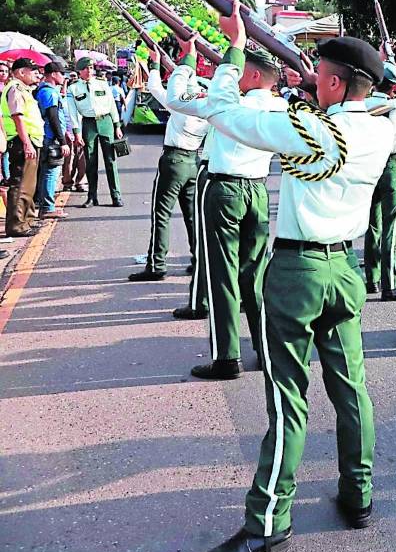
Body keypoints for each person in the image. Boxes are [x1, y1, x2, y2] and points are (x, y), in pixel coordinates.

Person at [200, 5, 393, 552]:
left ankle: (267, 523)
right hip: (344, 270)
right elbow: (375, 104)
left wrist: (234, 50)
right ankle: (358, 494)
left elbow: (223, 111)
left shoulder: (309, 128)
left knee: (288, 400)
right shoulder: (378, 131)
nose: (311, 81)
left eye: (318, 76)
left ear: (333, 82)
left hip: (298, 270)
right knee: (351, 389)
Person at [166, 39, 288, 380]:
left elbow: (176, 98)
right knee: (255, 274)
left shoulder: (225, 103)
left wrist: (187, 58)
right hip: (258, 189)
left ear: (248, 74)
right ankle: (266, 349)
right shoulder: (281, 106)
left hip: (223, 189)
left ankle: (226, 356)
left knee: (221, 275)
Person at [127, 50, 208, 282]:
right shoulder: (208, 109)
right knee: (192, 215)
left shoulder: (181, 106)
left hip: (173, 160)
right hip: (194, 159)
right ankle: (198, 259)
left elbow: (155, 89)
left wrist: (154, 64)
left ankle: (156, 264)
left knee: (161, 213)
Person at [364, 62, 396, 300]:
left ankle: (372, 279)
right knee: (390, 227)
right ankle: (390, 283)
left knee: (372, 225)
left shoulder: (363, 104)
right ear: (394, 85)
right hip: (391, 165)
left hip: (368, 165)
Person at [64, 57, 123, 207]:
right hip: (88, 123)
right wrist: (76, 132)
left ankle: (116, 196)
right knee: (90, 161)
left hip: (105, 122)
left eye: (90, 68)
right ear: (79, 71)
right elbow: (73, 112)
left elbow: (111, 106)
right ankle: (92, 196)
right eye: (85, 68)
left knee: (110, 160)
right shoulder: (74, 88)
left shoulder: (102, 84)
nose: (88, 71)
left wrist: (117, 125)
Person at [2, 58, 44, 237]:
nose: (36, 74)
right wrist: (26, 143)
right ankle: (16, 225)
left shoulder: (25, 90)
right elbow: (17, 117)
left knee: (28, 185)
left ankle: (25, 221)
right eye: (31, 70)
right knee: (20, 184)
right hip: (22, 142)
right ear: (20, 72)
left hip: (30, 140)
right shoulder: (15, 88)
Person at [33, 61, 69, 220]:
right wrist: (62, 141)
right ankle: (47, 207)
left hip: (47, 136)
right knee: (50, 172)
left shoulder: (46, 90)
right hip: (50, 137)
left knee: (47, 171)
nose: (64, 77)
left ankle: (45, 204)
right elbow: (53, 117)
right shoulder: (49, 92)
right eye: (62, 73)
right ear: (53, 74)